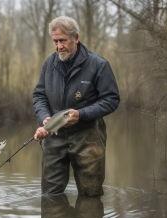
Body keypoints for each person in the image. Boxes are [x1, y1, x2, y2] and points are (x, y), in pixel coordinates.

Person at [33, 16, 120, 196]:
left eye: (63, 40)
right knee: (50, 196)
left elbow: (111, 99)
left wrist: (81, 114)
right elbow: (39, 95)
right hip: (54, 137)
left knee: (91, 195)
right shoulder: (50, 63)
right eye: (55, 41)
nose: (58, 46)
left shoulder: (99, 64)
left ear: (76, 38)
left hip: (88, 137)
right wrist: (44, 118)